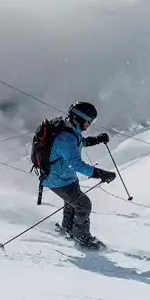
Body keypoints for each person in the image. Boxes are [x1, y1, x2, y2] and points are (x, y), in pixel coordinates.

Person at [41, 101, 116, 249]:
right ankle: (82, 239)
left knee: (73, 204)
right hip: (58, 180)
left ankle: (68, 230)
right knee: (83, 205)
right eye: (87, 122)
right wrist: (101, 174)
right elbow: (76, 164)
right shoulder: (65, 137)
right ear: (78, 118)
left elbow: (79, 143)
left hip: (65, 177)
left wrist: (97, 140)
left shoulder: (70, 129)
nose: (88, 125)